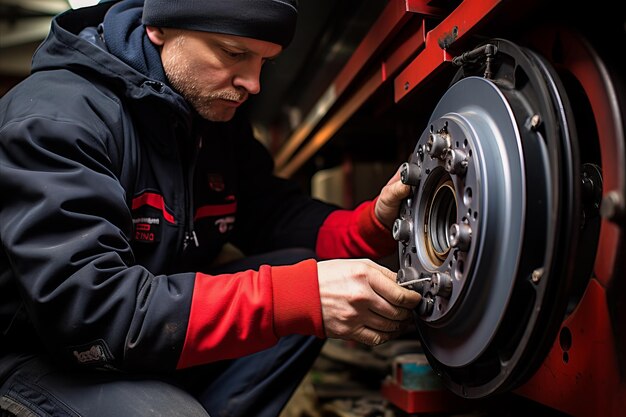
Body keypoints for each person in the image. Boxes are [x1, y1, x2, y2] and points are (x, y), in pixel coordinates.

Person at [0, 0, 422, 416]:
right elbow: (88, 312)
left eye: (265, 61)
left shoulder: (208, 111)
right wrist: (296, 296)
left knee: (308, 271)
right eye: (233, 53)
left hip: (144, 336)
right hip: (36, 357)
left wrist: (371, 226)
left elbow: (267, 212)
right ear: (159, 29)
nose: (253, 83)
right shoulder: (59, 118)